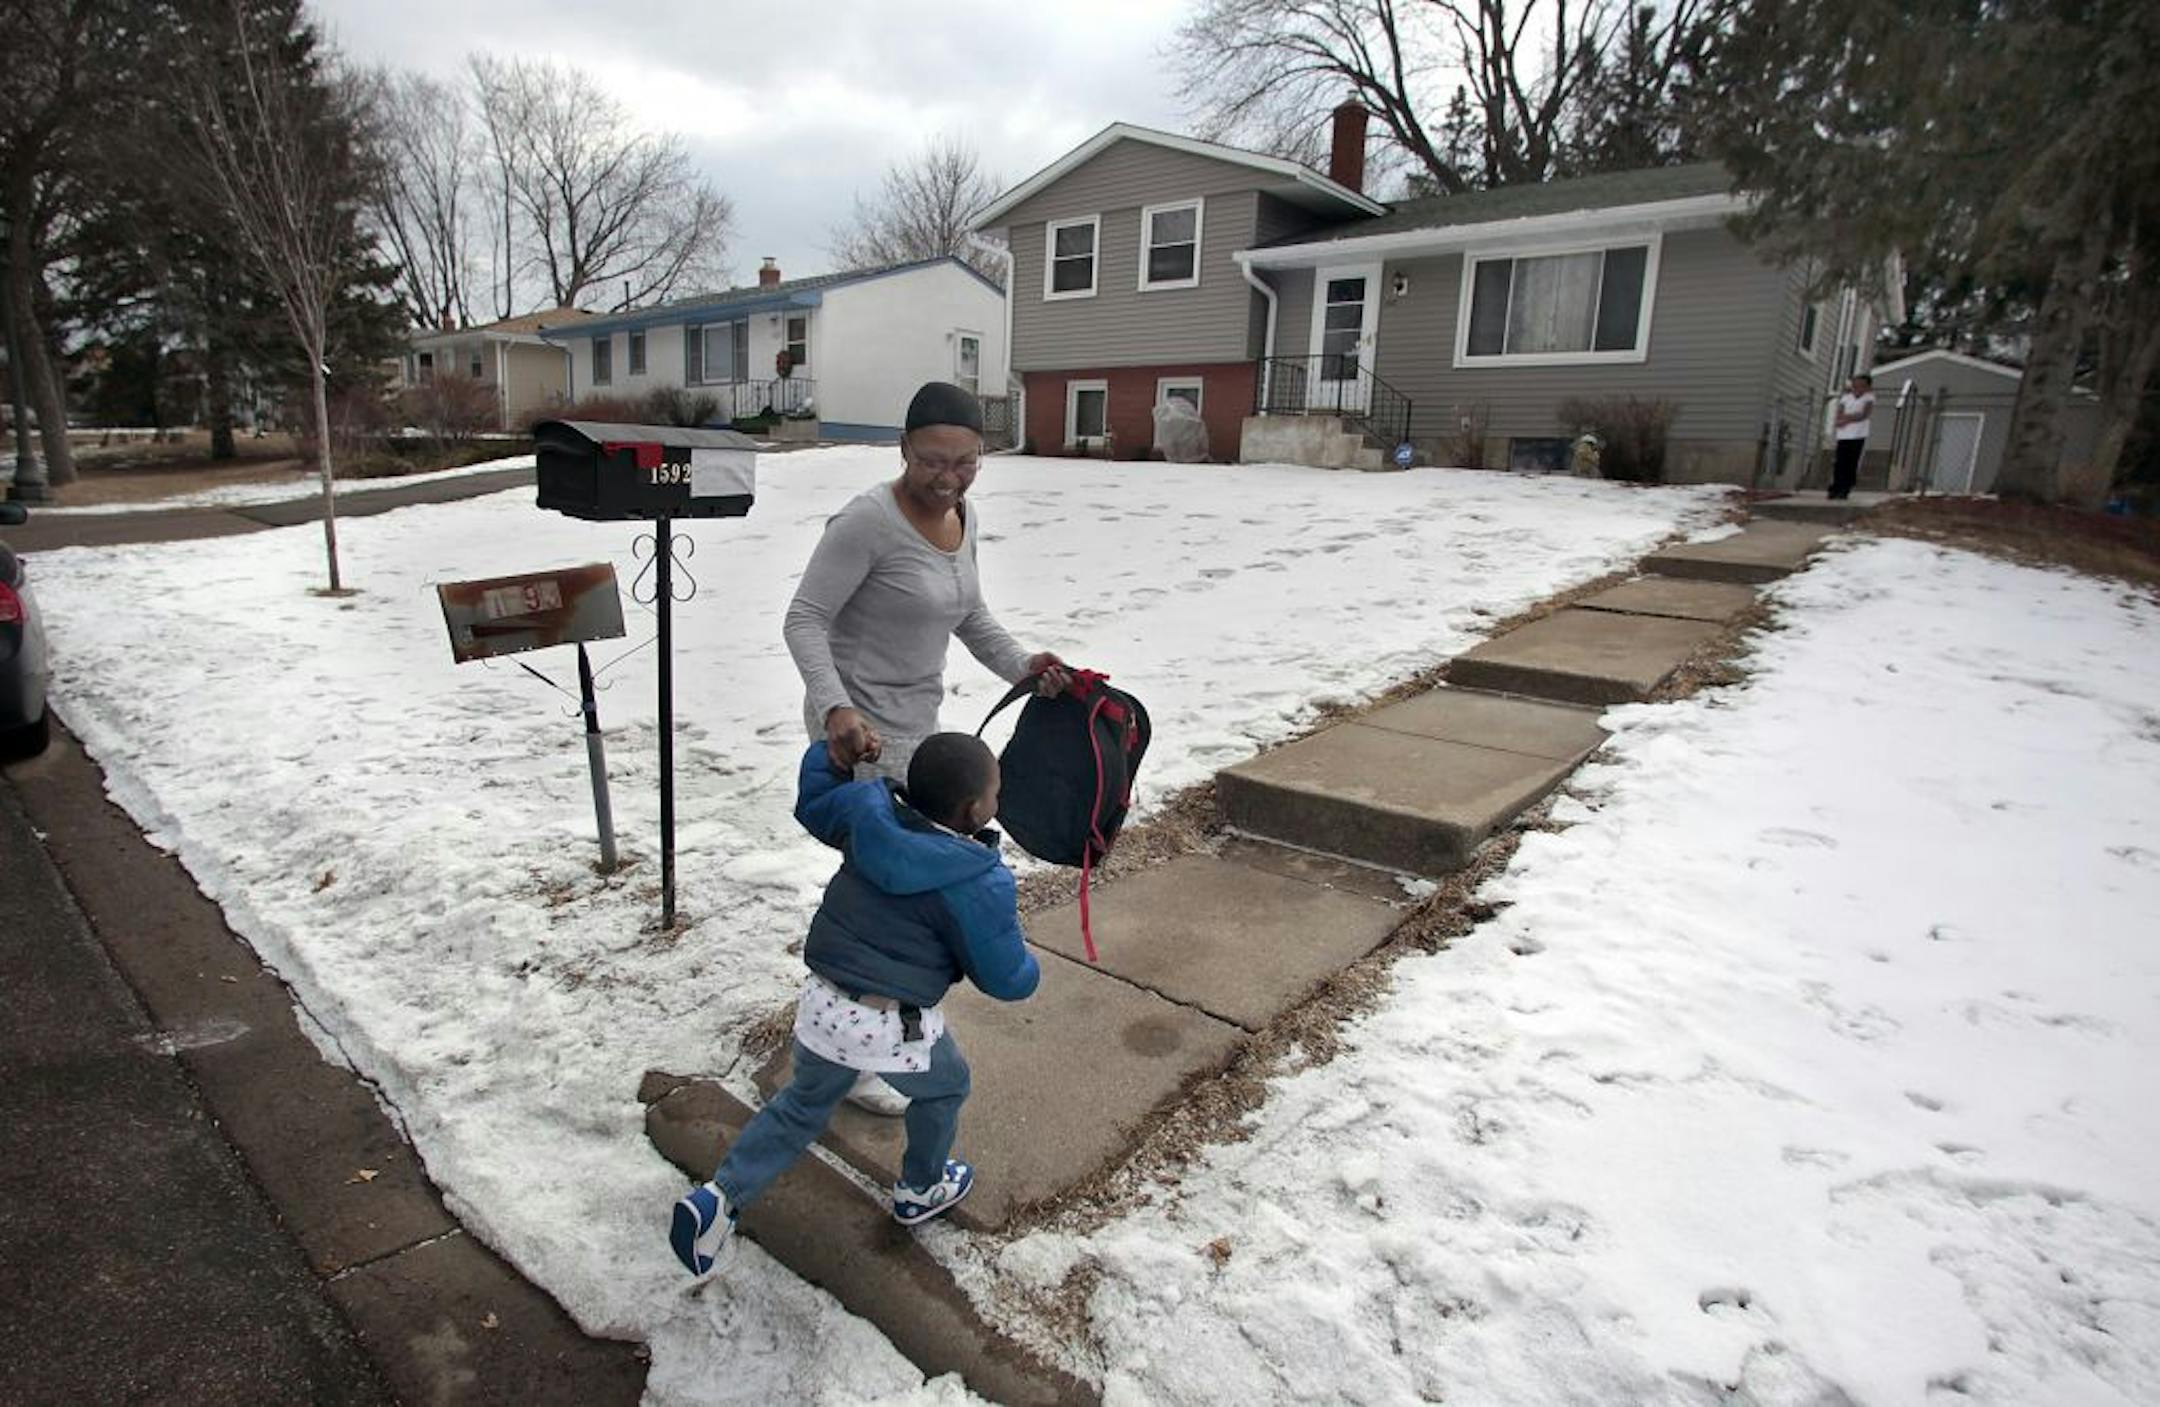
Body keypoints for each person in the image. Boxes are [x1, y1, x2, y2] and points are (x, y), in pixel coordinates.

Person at [783, 379, 1067, 1117]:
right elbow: (804, 620)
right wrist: (836, 706)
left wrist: (1024, 666)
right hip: (861, 735)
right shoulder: (866, 523)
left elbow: (968, 613)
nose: (948, 478)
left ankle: (853, 1032)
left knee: (896, 889)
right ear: (903, 449)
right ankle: (853, 1053)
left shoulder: (962, 518)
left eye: (965, 463)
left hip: (920, 730)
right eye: (933, 461)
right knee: (888, 890)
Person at [669, 733, 1039, 1276]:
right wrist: (1029, 971)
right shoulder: (976, 879)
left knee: (801, 1105)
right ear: (974, 811)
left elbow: (815, 801)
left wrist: (833, 756)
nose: (997, 801)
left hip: (825, 1003)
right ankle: (921, 1187)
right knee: (946, 1087)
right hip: (892, 1023)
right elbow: (1005, 978)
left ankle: (719, 1200)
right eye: (995, 793)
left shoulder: (868, 812)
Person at [1830, 372, 1874, 501]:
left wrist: (1846, 418)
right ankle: (1835, 487)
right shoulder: (1846, 397)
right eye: (1856, 384)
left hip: (1858, 434)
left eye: (1861, 385)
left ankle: (1845, 488)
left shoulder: (1869, 398)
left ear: (1867, 386)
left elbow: (1864, 414)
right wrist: (1842, 419)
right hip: (1844, 434)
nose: (1858, 387)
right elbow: (1840, 412)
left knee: (1851, 462)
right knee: (1840, 462)